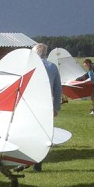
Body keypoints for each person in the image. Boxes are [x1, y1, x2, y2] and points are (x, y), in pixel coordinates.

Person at [31, 43, 62, 171]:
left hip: (30, 104)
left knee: (28, 132)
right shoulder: (53, 67)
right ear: (45, 53)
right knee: (43, 135)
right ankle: (38, 163)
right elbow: (57, 89)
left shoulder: (30, 66)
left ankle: (24, 159)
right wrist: (56, 108)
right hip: (46, 105)